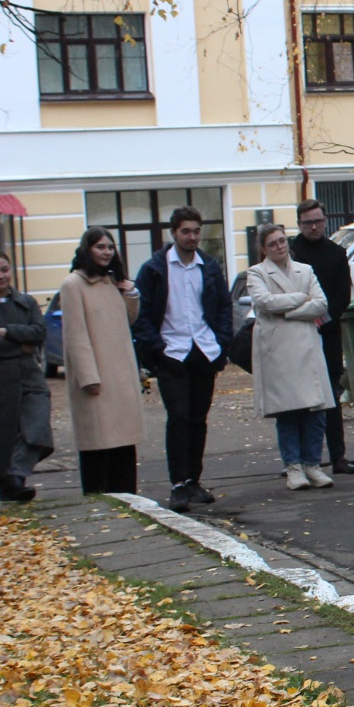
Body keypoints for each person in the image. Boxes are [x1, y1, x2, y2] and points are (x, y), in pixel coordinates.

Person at [131, 206, 231, 512]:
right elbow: (142, 314)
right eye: (186, 231)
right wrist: (157, 347)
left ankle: (193, 482)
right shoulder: (155, 269)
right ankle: (178, 484)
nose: (192, 237)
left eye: (196, 231)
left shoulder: (209, 267)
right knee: (178, 417)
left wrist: (222, 343)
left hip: (204, 350)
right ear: (173, 233)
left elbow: (223, 308)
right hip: (172, 352)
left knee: (198, 419)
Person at [246, 224, 336, 491]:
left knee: (315, 410)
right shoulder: (256, 273)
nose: (279, 246)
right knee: (288, 412)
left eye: (282, 241)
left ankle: (313, 464)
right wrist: (299, 298)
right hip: (278, 350)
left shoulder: (305, 270)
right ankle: (293, 466)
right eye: (272, 243)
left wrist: (290, 311)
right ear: (263, 248)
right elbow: (265, 302)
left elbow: (321, 303)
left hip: (307, 345)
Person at [59, 228, 144, 494]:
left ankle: (129, 498)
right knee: (98, 443)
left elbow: (126, 321)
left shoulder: (112, 282)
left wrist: (131, 295)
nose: (106, 252)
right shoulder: (73, 285)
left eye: (110, 247)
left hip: (121, 376)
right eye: (100, 247)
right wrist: (88, 377)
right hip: (97, 377)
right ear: (87, 249)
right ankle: (98, 502)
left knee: (123, 444)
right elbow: (75, 335)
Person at [0, 249, 53, 501]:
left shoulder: (26, 302)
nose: (0, 276)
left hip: (29, 376)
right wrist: (20, 344)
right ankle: (13, 486)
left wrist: (5, 332)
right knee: (4, 436)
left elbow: (39, 333)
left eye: (4, 270)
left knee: (37, 427)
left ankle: (17, 473)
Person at [289, 198, 354, 475]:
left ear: (325, 221)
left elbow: (343, 295)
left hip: (328, 333)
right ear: (300, 224)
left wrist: (322, 319)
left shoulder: (336, 253)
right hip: (296, 334)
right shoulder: (291, 252)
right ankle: (298, 460)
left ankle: (338, 457)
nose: (314, 226)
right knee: (297, 399)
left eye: (318, 221)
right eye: (308, 223)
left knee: (331, 395)